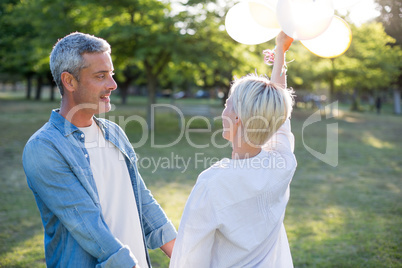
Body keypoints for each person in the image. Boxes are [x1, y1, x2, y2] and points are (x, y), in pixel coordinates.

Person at [22, 32, 176, 267]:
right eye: (101, 76)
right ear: (69, 81)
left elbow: (142, 201)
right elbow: (88, 226)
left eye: (111, 74)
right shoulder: (43, 148)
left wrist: (183, 255)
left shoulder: (114, 132)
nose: (113, 85)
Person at [170, 32, 296, 268]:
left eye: (227, 105)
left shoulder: (213, 183)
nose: (223, 111)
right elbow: (277, 113)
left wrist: (281, 51)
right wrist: (280, 52)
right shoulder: (283, 163)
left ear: (236, 117)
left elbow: (189, 258)